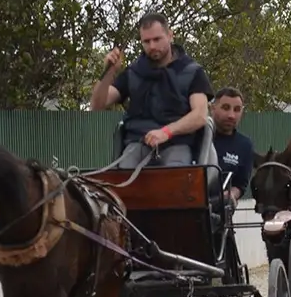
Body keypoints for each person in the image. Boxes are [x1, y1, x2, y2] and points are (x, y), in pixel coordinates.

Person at [90, 12, 214, 168]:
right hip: (137, 143)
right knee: (122, 180)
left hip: (177, 143)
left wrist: (166, 132)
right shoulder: (133, 73)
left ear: (170, 35)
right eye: (146, 41)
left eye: (157, 39)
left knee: (175, 178)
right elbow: (97, 105)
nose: (152, 46)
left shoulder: (192, 72)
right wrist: (109, 72)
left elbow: (200, 116)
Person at [211, 86, 254, 204]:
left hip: (220, 214)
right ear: (212, 108)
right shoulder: (198, 137)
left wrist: (231, 195)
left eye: (237, 109)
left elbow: (240, 185)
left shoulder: (245, 146)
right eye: (225, 108)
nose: (231, 115)